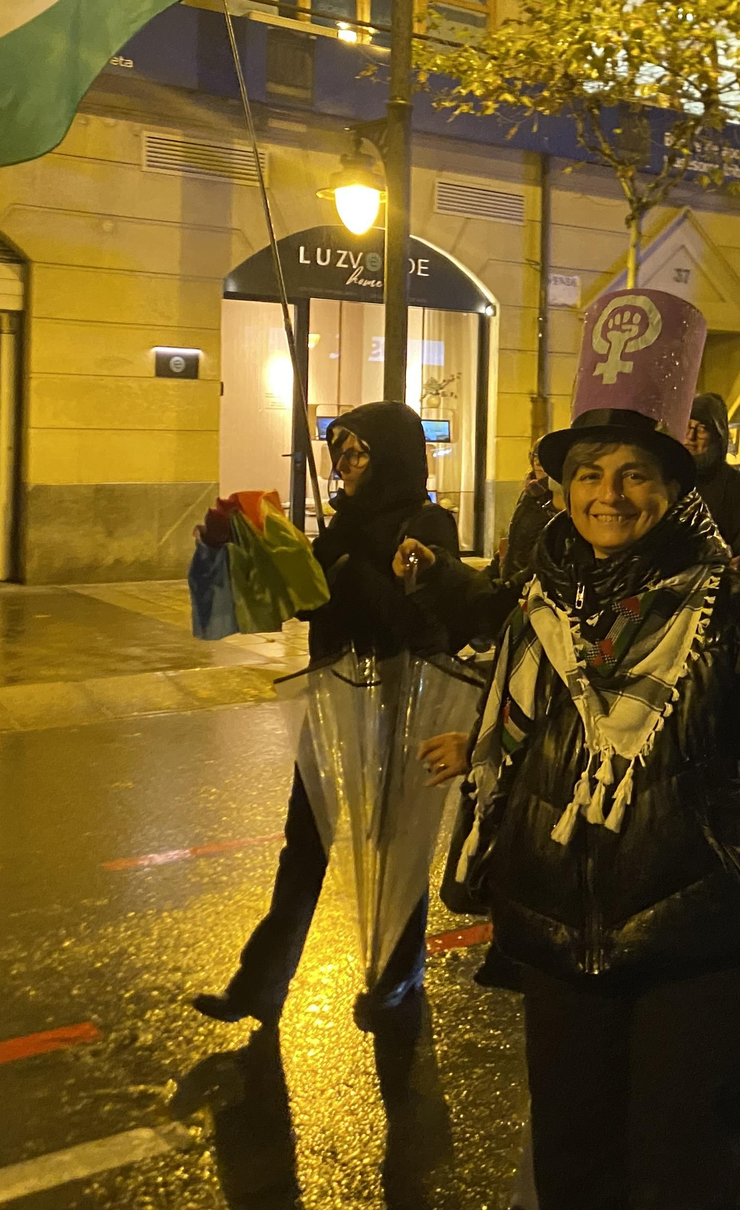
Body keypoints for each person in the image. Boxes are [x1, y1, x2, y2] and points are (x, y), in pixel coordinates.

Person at [420, 287, 740, 1210]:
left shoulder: (731, 607)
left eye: (635, 474)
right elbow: (533, 725)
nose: (609, 494)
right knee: (576, 1179)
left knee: (685, 1183)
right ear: (562, 487)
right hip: (561, 949)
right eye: (590, 473)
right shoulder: (539, 604)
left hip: (701, 950)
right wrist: (476, 740)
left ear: (673, 490)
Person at [191, 401, 468, 1031]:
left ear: (392, 456)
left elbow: (426, 626)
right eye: (338, 452)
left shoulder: (428, 522)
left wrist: (350, 576)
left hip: (400, 707)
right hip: (334, 702)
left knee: (396, 847)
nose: (343, 465)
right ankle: (260, 985)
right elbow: (311, 606)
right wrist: (264, 554)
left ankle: (397, 980)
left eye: (357, 452)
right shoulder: (341, 525)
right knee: (304, 846)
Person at [687, 393, 740, 566]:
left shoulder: (738, 488)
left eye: (702, 429)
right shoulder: (667, 479)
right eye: (687, 426)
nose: (690, 437)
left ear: (718, 436)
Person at [499, 443, 559, 588]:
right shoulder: (530, 491)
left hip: (534, 585)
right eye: (535, 456)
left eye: (544, 456)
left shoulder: (558, 495)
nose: (537, 462)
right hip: (515, 576)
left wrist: (516, 583)